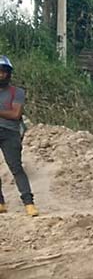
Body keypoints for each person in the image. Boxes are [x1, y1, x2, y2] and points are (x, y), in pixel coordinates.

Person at [0, 56, 37, 216]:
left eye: (3, 72)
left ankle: (29, 203)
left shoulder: (17, 92)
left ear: (9, 74)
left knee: (16, 168)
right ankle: (1, 203)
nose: (1, 75)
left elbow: (15, 114)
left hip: (10, 133)